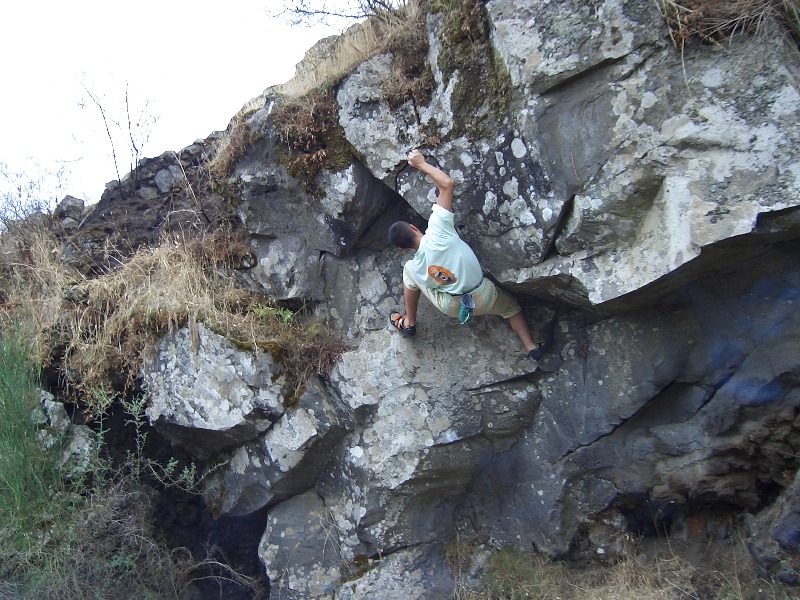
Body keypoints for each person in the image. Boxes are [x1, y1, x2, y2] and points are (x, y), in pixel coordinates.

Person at [388, 149, 554, 361]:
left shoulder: (418, 268)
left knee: (409, 271)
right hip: (484, 295)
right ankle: (531, 347)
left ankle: (409, 322)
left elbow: (434, 280)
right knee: (511, 308)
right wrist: (420, 163)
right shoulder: (438, 229)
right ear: (413, 227)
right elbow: (447, 184)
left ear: (402, 249)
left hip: (451, 306)